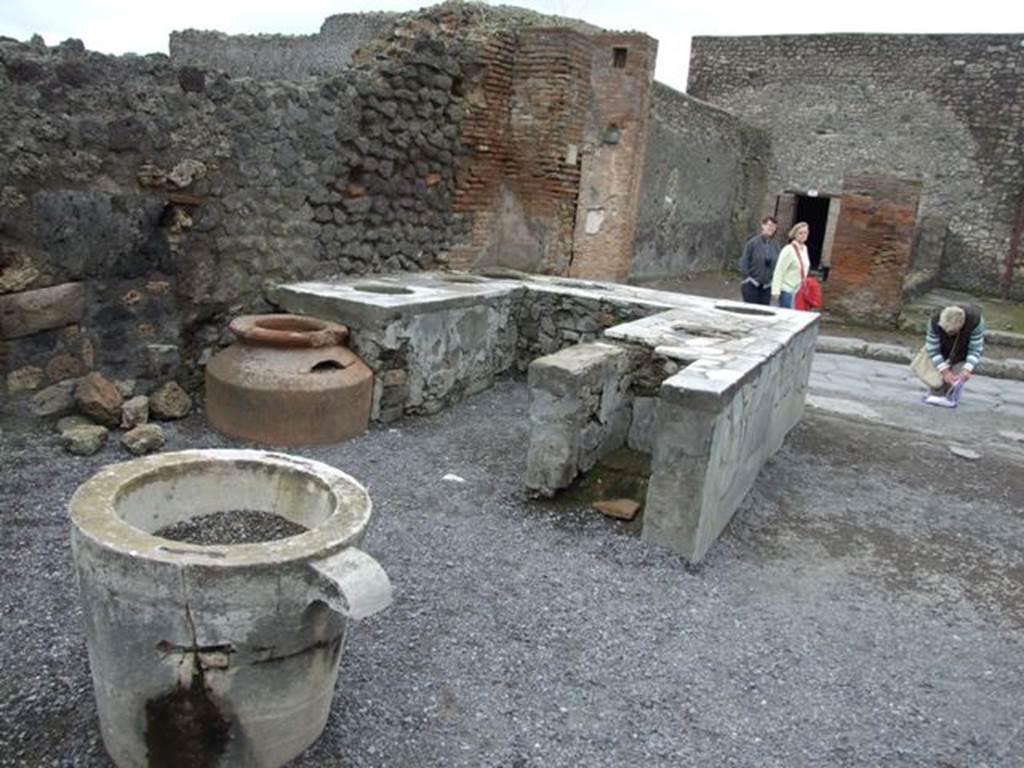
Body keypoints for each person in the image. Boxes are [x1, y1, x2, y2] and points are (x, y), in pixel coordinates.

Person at [921, 304, 985, 401]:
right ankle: (935, 393)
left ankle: (951, 395)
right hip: (941, 348)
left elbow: (976, 349)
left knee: (955, 380)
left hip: (963, 351)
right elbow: (932, 349)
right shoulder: (934, 320)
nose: (948, 334)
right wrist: (944, 371)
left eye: (952, 332)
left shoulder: (976, 321)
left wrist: (967, 370)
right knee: (936, 386)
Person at [739, 216, 779, 305]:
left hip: (766, 287)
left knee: (763, 314)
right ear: (763, 226)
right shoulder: (752, 243)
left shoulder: (776, 246)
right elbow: (744, 261)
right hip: (752, 285)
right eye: (769, 225)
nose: (771, 228)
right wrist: (747, 279)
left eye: (774, 226)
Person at [771, 222, 811, 308]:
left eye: (805, 233)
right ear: (795, 234)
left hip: (799, 290)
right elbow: (779, 270)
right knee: (786, 316)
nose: (803, 235)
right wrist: (776, 291)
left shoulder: (805, 249)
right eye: (800, 233)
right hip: (787, 290)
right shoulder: (788, 249)